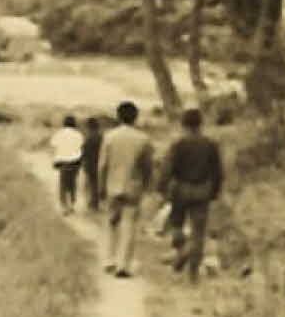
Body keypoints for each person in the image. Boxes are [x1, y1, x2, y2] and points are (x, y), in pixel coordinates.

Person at [160, 107, 225, 283]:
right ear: (200, 124)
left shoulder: (178, 144)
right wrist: (214, 192)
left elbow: (167, 169)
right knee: (198, 234)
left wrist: (162, 188)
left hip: (180, 190)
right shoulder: (210, 145)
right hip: (202, 192)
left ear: (183, 124)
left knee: (177, 226)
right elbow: (218, 172)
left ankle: (181, 253)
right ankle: (193, 273)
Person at [95, 100, 156, 279]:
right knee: (129, 225)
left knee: (110, 223)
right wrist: (148, 186)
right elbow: (148, 167)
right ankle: (123, 265)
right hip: (133, 187)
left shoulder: (109, 137)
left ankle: (108, 260)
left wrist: (100, 187)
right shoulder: (143, 139)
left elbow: (102, 165)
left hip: (112, 186)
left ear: (118, 116)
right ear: (135, 117)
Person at [49, 115, 86, 214]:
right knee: (73, 183)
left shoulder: (59, 134)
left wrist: (55, 159)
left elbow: (53, 147)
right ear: (74, 123)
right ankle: (72, 204)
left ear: (64, 123)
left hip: (62, 162)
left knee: (63, 184)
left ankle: (64, 206)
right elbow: (82, 148)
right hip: (75, 162)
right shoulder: (78, 134)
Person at [80, 115, 105, 213]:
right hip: (100, 163)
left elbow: (83, 151)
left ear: (89, 126)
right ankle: (96, 201)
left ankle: (93, 203)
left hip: (90, 164)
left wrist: (82, 162)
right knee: (97, 183)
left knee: (91, 183)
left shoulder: (88, 137)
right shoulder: (101, 137)